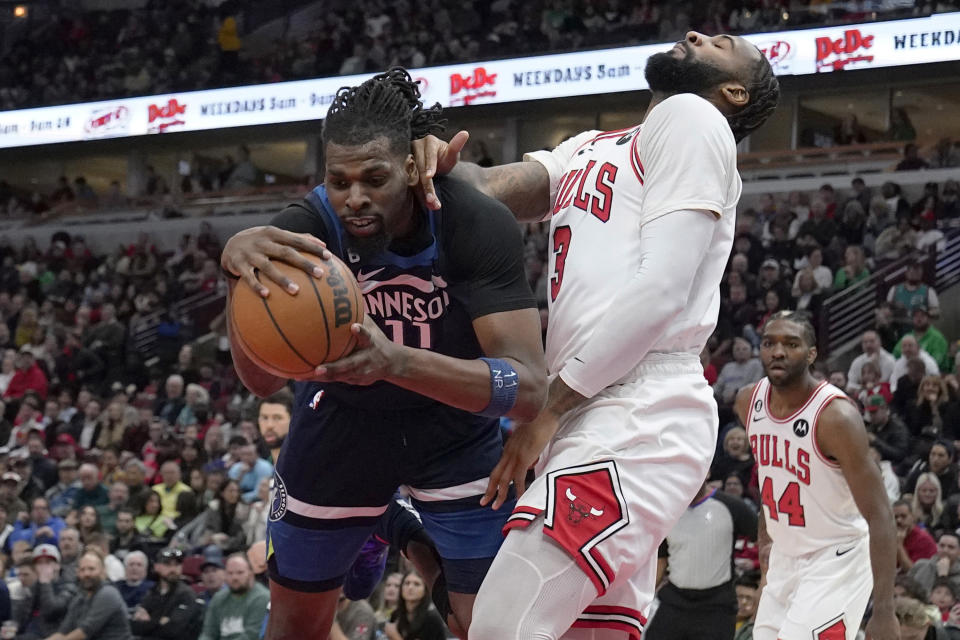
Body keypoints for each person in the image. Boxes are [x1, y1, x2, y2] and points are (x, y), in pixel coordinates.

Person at [416, 30, 780, 640]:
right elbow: (488, 190)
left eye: (721, 43)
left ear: (734, 91)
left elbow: (663, 290)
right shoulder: (595, 144)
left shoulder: (692, 117)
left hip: (637, 406)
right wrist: (430, 166)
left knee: (502, 626)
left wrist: (549, 409)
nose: (695, 34)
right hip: (587, 404)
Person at [220, 69, 546, 639]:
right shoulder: (305, 229)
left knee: (488, 627)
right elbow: (260, 385)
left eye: (374, 178)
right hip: (341, 428)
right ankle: (392, 523)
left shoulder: (472, 221)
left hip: (454, 430)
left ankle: (399, 528)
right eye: (339, 181)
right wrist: (237, 282)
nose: (355, 199)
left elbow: (527, 390)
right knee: (296, 629)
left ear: (415, 168)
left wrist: (393, 361)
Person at [734, 312, 896, 640]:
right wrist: (768, 547)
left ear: (811, 354)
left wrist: (884, 610)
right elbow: (772, 480)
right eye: (769, 343)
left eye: (791, 344)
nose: (777, 352)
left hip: (836, 559)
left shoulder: (836, 417)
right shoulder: (748, 401)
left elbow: (880, 515)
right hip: (785, 558)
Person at [645, 481, 757, 640]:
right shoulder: (669, 511)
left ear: (707, 472)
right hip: (675, 601)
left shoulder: (731, 506)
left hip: (716, 607)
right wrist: (644, 599)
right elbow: (661, 559)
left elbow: (762, 533)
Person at [50, 550, 132, 640]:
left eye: (91, 569)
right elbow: (63, 631)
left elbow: (84, 632)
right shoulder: (79, 598)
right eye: (82, 570)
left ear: (103, 571)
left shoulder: (108, 593)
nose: (86, 574)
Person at [130, 548, 203, 640]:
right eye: (167, 564)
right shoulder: (152, 592)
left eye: (177, 564)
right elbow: (135, 627)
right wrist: (160, 622)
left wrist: (149, 622)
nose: (173, 569)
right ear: (156, 566)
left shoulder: (187, 594)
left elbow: (173, 631)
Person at [13, 544, 78, 640]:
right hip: (28, 633)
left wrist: (45, 582)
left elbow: (51, 611)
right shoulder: (35, 586)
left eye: (48, 562)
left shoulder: (69, 586)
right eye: (39, 563)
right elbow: (23, 616)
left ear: (57, 566)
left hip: (50, 635)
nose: (44, 567)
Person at [198, 554, 269, 640]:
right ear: (225, 575)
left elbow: (252, 635)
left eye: (240, 572)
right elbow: (208, 633)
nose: (234, 577)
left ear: (251, 573)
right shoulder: (218, 598)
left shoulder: (262, 597)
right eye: (230, 573)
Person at [385, 570, 445, 640]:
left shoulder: (432, 618)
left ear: (425, 590)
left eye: (416, 584)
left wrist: (395, 636)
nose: (410, 588)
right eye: (407, 583)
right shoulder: (396, 615)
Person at [909, 532, 960, 597]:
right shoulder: (920, 565)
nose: (945, 550)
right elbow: (906, 589)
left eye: (951, 547)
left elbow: (950, 600)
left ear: (959, 551)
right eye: (942, 546)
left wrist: (943, 576)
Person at [846, 330, 897, 394]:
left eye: (872, 341)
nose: (868, 345)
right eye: (865, 342)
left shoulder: (890, 360)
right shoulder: (857, 362)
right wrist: (864, 388)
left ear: (879, 342)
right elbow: (850, 385)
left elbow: (893, 385)